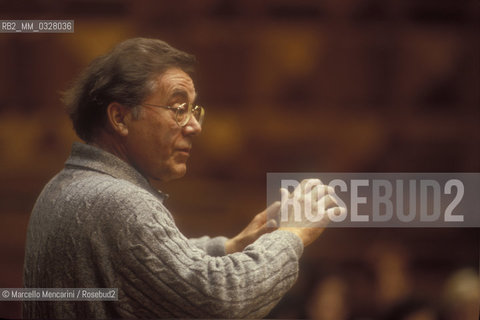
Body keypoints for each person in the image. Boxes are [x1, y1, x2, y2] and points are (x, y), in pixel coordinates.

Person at [23, 38, 344, 318]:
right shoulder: (118, 201)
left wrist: (231, 247)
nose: (194, 126)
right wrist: (291, 236)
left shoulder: (63, 185)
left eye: (194, 110)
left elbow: (138, 261)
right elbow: (218, 303)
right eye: (178, 108)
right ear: (120, 117)